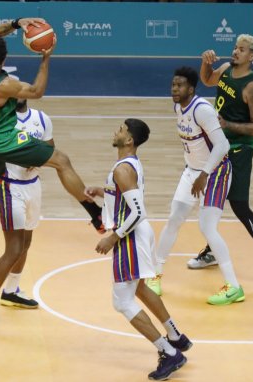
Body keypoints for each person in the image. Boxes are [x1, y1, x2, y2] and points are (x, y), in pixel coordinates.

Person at [0, 18, 105, 286]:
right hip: (2, 142)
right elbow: (37, 91)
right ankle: (95, 214)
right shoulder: (4, 84)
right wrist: (46, 58)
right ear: (3, 61)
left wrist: (16, 23)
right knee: (61, 160)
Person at [188, 36, 253, 293]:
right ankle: (212, 251)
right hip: (219, 147)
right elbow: (207, 80)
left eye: (241, 50)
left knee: (239, 206)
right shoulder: (225, 69)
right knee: (214, 200)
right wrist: (205, 63)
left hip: (239, 150)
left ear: (252, 56)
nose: (235, 51)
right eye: (235, 47)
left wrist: (227, 125)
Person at [90, 119, 191, 381]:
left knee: (122, 302)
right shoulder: (127, 166)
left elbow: (138, 212)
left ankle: (169, 352)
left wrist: (113, 237)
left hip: (130, 237)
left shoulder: (123, 169)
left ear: (130, 140)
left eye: (121, 129)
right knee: (140, 289)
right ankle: (176, 336)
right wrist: (103, 192)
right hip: (136, 235)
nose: (117, 131)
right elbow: (126, 198)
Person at [146, 67, 243, 305]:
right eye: (172, 85)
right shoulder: (179, 106)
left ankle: (234, 287)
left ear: (191, 88)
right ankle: (155, 275)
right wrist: (195, 172)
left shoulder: (203, 110)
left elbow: (222, 146)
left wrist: (204, 174)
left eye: (179, 86)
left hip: (215, 172)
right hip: (192, 172)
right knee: (174, 219)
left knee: (207, 227)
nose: (174, 89)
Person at [0, 99, 51, 334]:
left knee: (26, 243)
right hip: (9, 188)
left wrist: (36, 159)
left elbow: (49, 148)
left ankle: (11, 291)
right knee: (13, 249)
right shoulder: (1, 122)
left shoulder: (42, 118)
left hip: (33, 186)